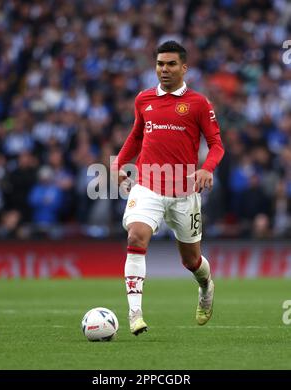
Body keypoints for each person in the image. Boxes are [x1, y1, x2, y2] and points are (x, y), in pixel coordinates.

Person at [113, 41, 225, 335]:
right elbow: (136, 135)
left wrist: (206, 168)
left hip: (184, 193)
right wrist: (119, 163)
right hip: (147, 186)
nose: (164, 69)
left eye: (171, 64)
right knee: (136, 236)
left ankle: (205, 286)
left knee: (191, 261)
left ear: (184, 68)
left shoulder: (199, 103)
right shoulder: (144, 99)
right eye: (160, 64)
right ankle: (134, 314)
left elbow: (216, 145)